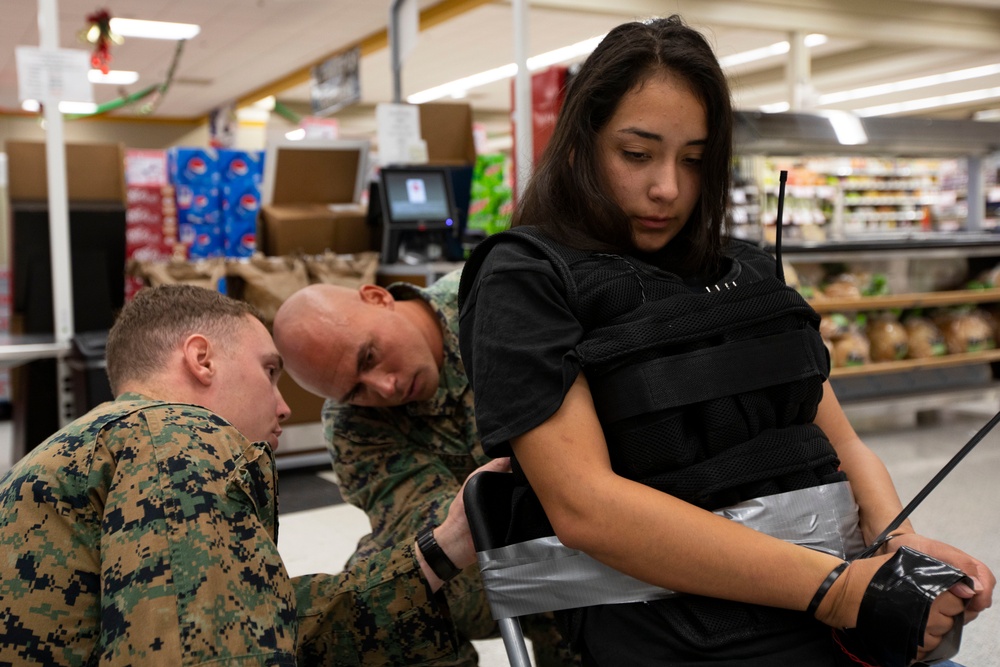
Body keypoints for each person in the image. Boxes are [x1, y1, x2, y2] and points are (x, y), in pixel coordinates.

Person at [456, 15, 995, 667]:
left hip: (835, 612)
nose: (669, 188)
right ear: (580, 144)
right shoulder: (527, 276)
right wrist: (833, 589)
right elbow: (586, 506)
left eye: (694, 159)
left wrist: (895, 544)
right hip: (681, 634)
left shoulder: (746, 268)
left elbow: (841, 440)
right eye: (637, 154)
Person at [0, 283, 506, 667]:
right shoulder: (177, 434)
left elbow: (264, 619)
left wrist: (438, 550)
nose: (284, 407)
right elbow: (205, 653)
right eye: (269, 371)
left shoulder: (83, 454)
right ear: (201, 360)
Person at [273, 271, 579, 666]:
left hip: (595, 523)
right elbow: (431, 531)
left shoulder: (496, 296)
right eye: (356, 390)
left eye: (369, 356)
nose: (385, 387)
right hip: (495, 559)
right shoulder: (354, 424)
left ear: (377, 297)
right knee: (370, 611)